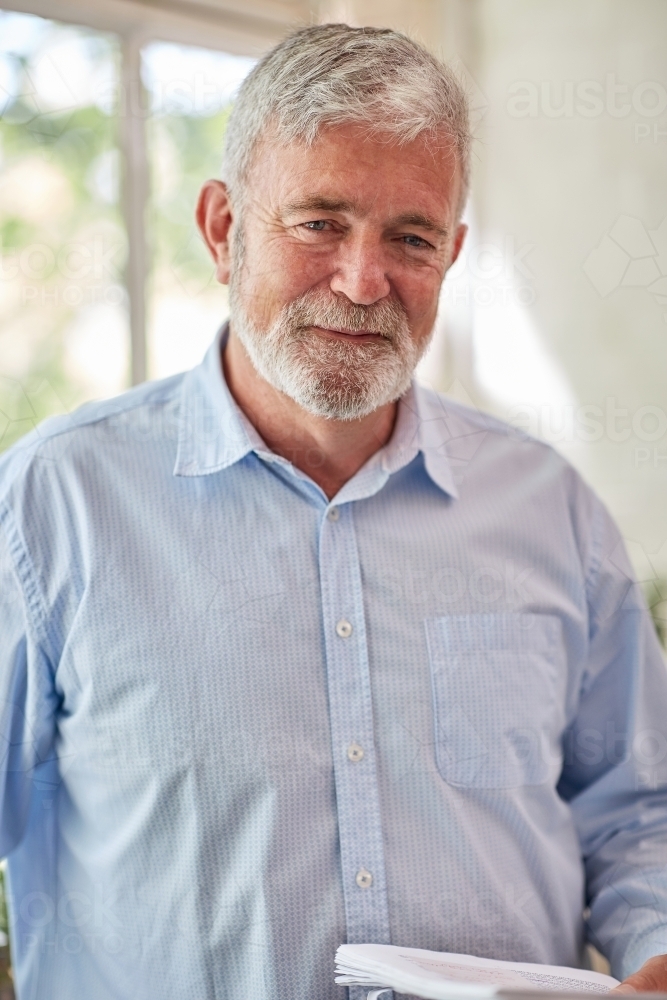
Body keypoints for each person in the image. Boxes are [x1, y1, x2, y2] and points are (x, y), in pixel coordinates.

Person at [1, 22, 666, 1000]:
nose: (363, 282)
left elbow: (637, 812)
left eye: (411, 237)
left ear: (454, 252)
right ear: (223, 227)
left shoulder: (550, 509)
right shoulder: (54, 505)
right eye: (318, 222)